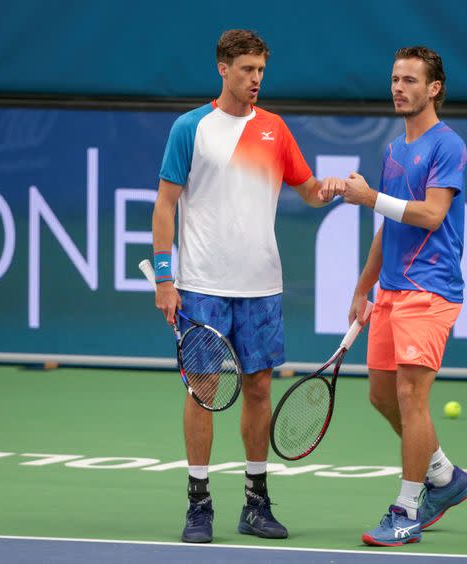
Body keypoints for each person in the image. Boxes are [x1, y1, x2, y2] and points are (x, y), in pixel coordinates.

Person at [151, 29, 343, 544]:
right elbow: (166, 205)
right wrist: (165, 279)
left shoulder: (275, 130)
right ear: (223, 68)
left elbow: (308, 192)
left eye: (261, 70)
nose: (255, 79)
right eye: (246, 70)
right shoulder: (190, 128)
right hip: (201, 286)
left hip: (262, 286)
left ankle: (256, 502)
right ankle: (198, 503)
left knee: (259, 387)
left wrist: (336, 190)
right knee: (205, 391)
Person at [334, 46, 467, 547]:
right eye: (395, 79)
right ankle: (444, 475)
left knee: (413, 397)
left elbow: (432, 214)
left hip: (431, 290)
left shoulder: (448, 146)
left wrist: (370, 195)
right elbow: (387, 226)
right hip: (391, 291)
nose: (399, 88)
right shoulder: (394, 151)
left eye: (410, 80)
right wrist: (361, 285)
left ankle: (407, 508)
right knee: (380, 394)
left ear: (433, 88)